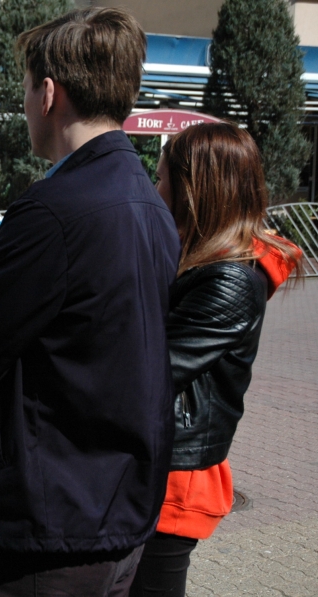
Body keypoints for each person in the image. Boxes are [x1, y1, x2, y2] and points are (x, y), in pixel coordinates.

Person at [0, 8, 181, 596]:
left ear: (48, 94)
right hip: (117, 511)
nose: (25, 105)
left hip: (44, 528)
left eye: (25, 89)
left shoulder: (52, 208)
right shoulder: (150, 203)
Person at [129, 123, 301, 596]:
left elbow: (153, 369)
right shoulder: (198, 261)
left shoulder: (229, 280)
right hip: (158, 461)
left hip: (174, 474)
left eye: (161, 179)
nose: (155, 190)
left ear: (194, 191)